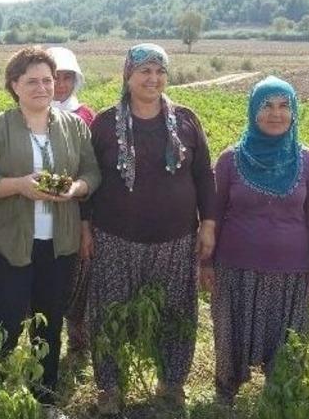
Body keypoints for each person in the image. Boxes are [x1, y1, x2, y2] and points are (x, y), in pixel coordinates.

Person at [0, 46, 100, 419]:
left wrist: (74, 190)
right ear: (14, 85)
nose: (43, 87)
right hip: (9, 240)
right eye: (32, 81)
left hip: (59, 243)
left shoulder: (73, 125)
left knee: (50, 321)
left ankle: (43, 398)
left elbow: (92, 172)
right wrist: (18, 186)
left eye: (48, 80)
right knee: (7, 320)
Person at [85, 43, 217, 414]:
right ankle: (110, 389)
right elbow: (90, 178)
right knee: (109, 312)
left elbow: (204, 177)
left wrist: (208, 224)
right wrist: (84, 226)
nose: (152, 79)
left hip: (175, 239)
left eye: (159, 71)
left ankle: (171, 384)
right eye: (144, 71)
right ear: (128, 75)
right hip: (115, 238)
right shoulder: (105, 124)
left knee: (176, 312)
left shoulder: (187, 120)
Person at [201, 76, 309, 406]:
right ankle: (225, 394)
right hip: (236, 270)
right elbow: (212, 216)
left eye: (284, 106)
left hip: (291, 273)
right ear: (252, 111)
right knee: (231, 336)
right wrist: (205, 262)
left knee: (286, 343)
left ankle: (279, 398)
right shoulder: (231, 159)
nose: (276, 114)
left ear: (295, 112)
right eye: (267, 106)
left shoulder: (308, 162)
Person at [47, 46, 95, 355]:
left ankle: (78, 340)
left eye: (67, 78)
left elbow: (91, 168)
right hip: (37, 206)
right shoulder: (29, 114)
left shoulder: (85, 116)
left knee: (77, 274)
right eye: (55, 77)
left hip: (75, 205)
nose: (61, 85)